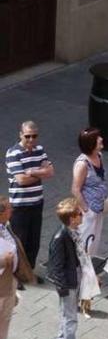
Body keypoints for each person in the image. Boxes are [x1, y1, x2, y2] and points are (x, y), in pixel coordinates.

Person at [5, 120, 53, 285]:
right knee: (20, 242)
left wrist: (32, 171)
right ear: (20, 135)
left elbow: (51, 172)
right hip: (19, 205)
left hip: (37, 202)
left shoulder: (39, 150)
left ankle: (29, 272)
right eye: (27, 136)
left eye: (34, 136)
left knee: (34, 241)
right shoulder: (13, 153)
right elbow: (21, 180)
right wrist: (41, 172)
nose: (31, 140)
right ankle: (16, 277)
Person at [47, 198, 86, 339]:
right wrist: (63, 288)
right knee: (71, 318)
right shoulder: (60, 237)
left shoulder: (71, 232)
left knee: (65, 313)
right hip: (68, 282)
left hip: (73, 277)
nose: (82, 214)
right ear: (71, 219)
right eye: (79, 213)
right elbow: (56, 266)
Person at [0, 196, 35, 339]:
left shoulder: (6, 228)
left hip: (9, 282)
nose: (12, 211)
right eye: (9, 209)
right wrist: (2, 260)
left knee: (5, 319)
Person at [71, 128, 107, 257]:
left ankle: (90, 273)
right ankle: (81, 274)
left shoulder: (99, 156)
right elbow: (75, 189)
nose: (101, 139)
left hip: (99, 208)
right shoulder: (82, 164)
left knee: (94, 243)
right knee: (85, 245)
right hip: (88, 212)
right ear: (90, 143)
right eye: (97, 138)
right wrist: (87, 210)